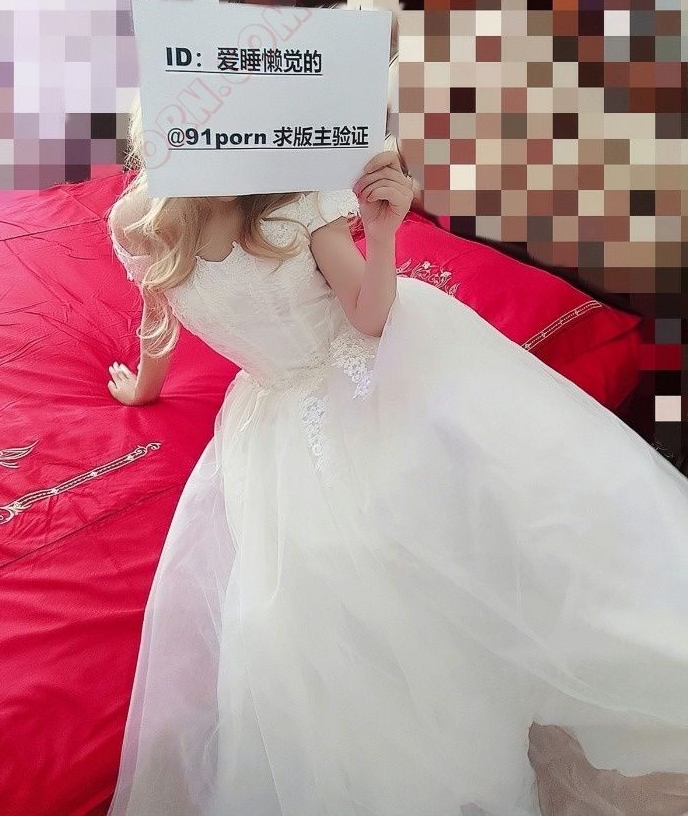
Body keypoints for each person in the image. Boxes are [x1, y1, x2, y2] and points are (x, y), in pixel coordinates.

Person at [105, 93, 688, 816]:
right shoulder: (143, 219)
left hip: (365, 371)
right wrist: (145, 385)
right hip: (275, 408)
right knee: (315, 597)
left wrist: (380, 236)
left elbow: (370, 319)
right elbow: (157, 307)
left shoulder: (288, 202)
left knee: (450, 513)